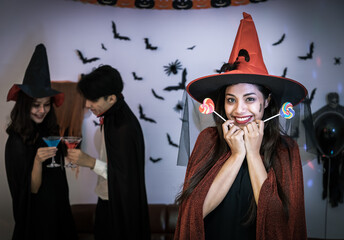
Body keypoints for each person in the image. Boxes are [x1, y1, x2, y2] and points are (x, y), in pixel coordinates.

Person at [174, 13, 308, 240]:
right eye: (230, 100)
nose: (239, 110)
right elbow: (194, 214)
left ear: (266, 102)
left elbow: (279, 227)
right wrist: (236, 155)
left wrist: (253, 154)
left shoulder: (287, 149)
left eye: (250, 99)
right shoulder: (208, 139)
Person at [66, 65, 151, 240]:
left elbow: (124, 177)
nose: (87, 104)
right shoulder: (112, 118)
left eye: (93, 99)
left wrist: (89, 162)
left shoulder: (123, 127)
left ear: (111, 98)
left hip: (119, 208)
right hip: (107, 199)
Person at [5, 43, 77, 240]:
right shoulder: (16, 141)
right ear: (25, 104)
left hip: (60, 214)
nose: (42, 111)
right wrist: (37, 161)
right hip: (38, 222)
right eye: (36, 105)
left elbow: (58, 176)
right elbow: (32, 190)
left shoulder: (50, 131)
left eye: (46, 105)